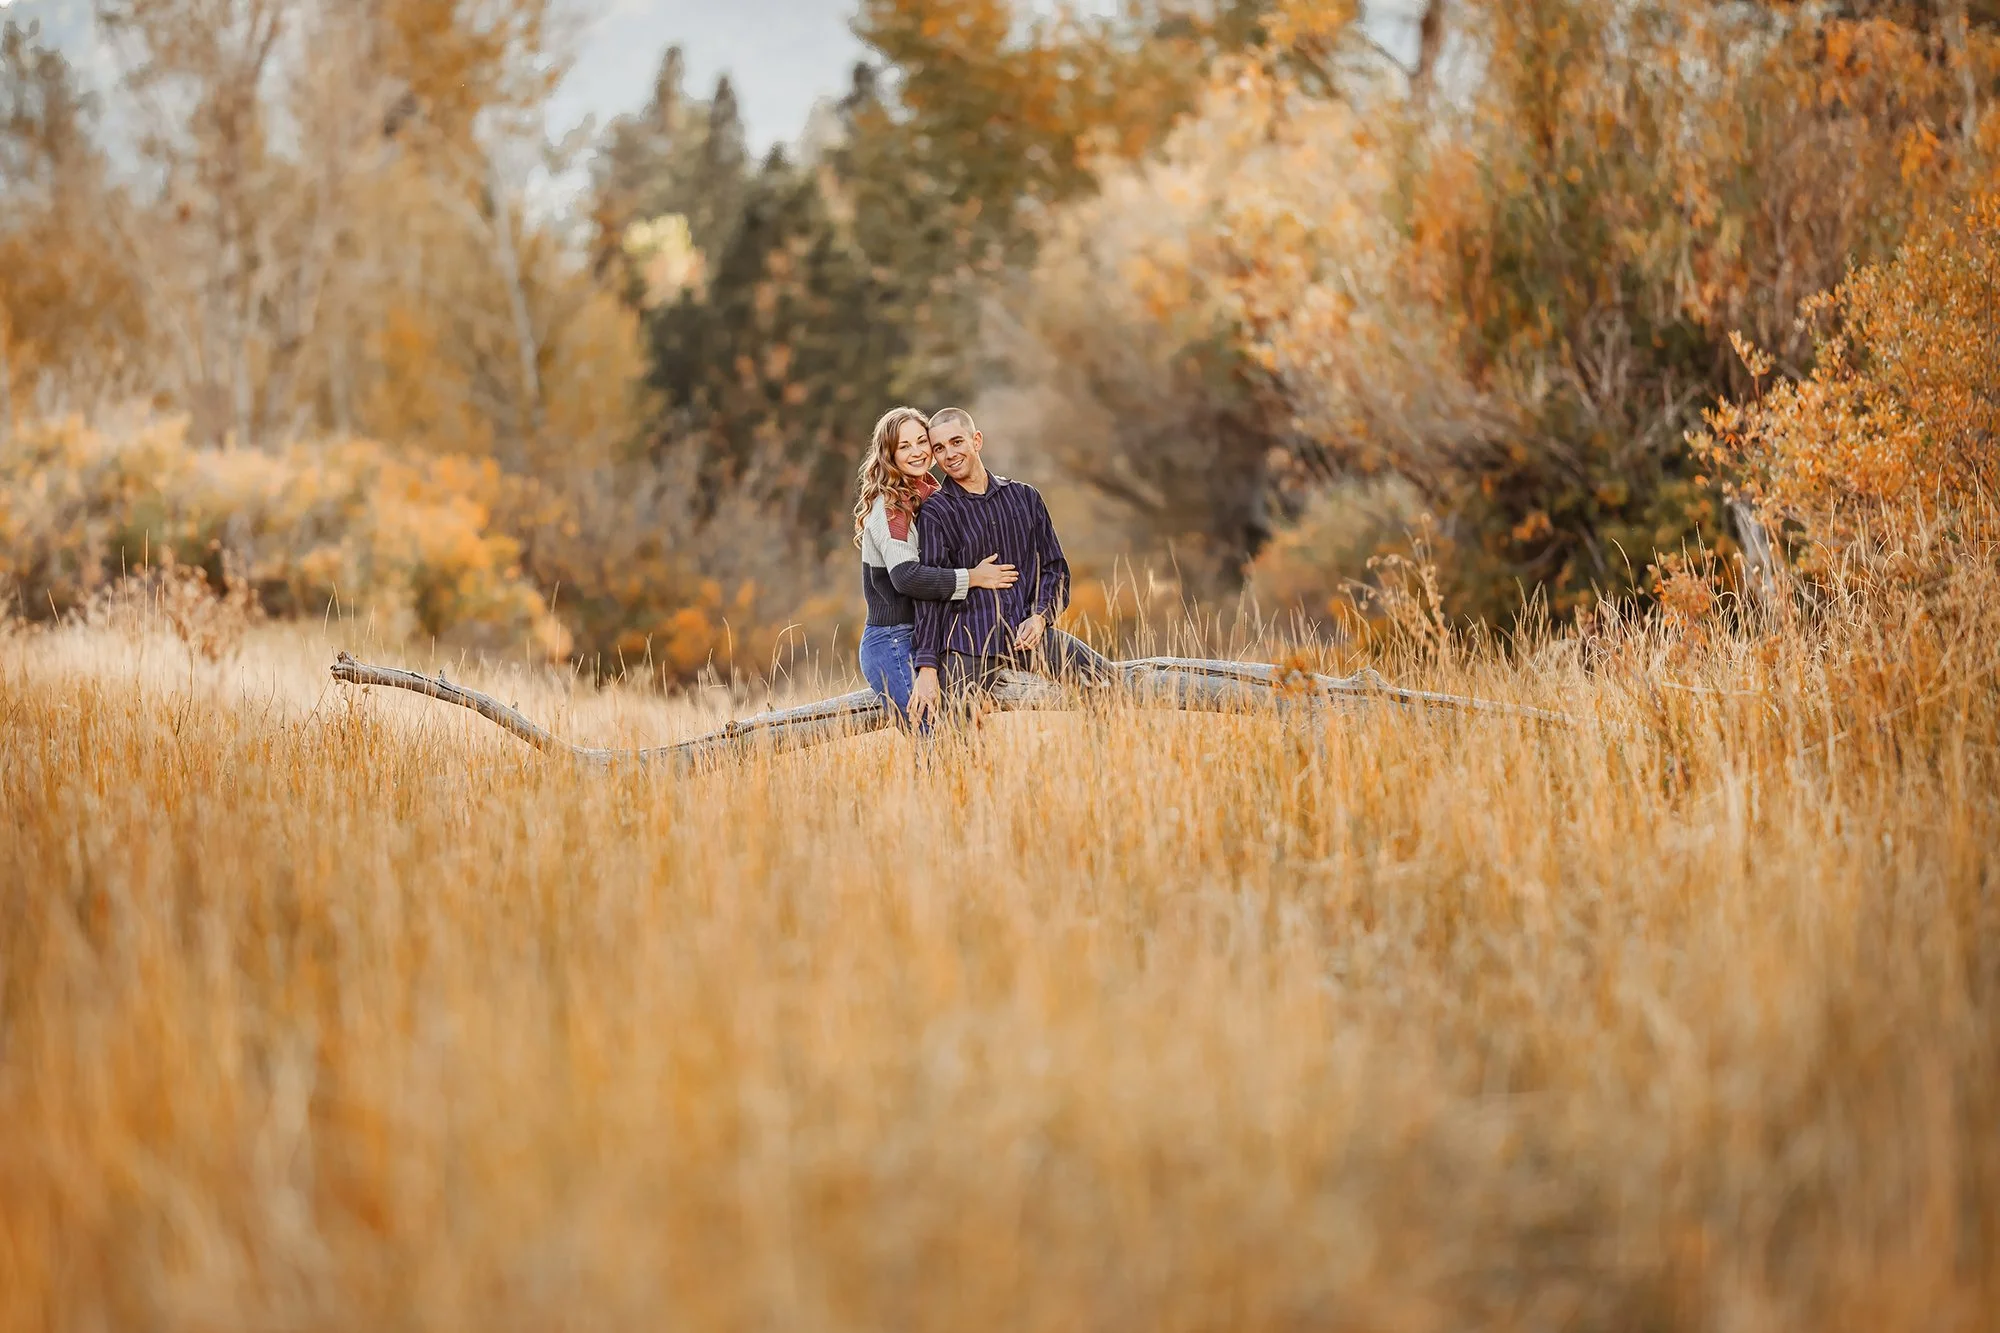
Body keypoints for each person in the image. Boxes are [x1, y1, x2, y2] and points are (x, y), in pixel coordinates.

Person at [907, 407, 1110, 728]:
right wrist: (928, 666)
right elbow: (931, 593)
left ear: (977, 440)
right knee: (951, 737)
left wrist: (1041, 617)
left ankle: (1102, 767)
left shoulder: (1025, 498)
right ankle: (953, 778)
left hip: (1025, 635)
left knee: (1104, 680)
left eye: (957, 441)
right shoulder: (936, 511)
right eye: (939, 449)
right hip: (967, 645)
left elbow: (1055, 570)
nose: (950, 454)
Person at [853, 405, 1018, 724]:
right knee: (935, 736)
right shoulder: (890, 508)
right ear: (889, 454)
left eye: (921, 441)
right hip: (892, 639)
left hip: (930, 636)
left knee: (963, 740)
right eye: (904, 446)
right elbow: (906, 578)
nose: (916, 452)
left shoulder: (932, 496)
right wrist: (973, 577)